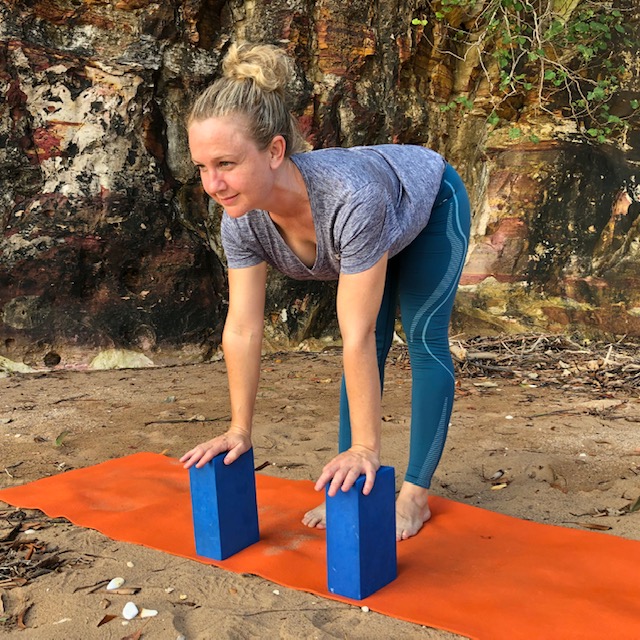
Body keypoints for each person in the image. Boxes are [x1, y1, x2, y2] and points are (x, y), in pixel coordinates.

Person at [180, 42, 471, 541]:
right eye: (202, 167)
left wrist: (368, 448)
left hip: (428, 202)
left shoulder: (348, 200)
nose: (214, 183)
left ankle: (413, 496)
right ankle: (346, 488)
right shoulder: (242, 218)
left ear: (274, 151)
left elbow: (352, 334)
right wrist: (239, 430)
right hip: (378, 213)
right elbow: (244, 327)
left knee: (420, 339)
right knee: (368, 346)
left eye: (225, 163)